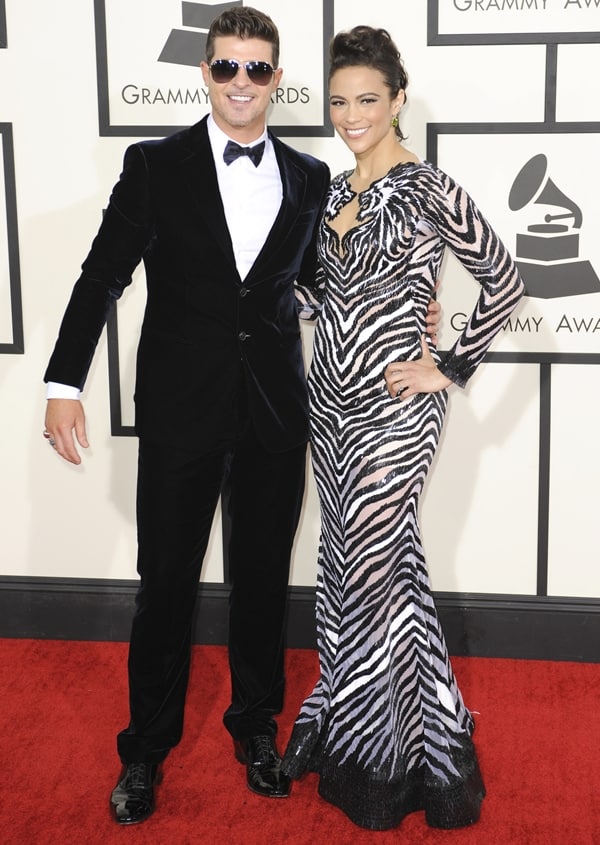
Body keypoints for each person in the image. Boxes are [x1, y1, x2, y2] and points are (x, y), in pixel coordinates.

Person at [42, 6, 442, 827]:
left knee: (260, 582)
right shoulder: (156, 165)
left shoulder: (308, 178)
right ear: (205, 74)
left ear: (276, 79)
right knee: (166, 587)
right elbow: (101, 276)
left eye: (258, 70)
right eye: (227, 67)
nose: (241, 84)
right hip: (181, 414)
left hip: (273, 412)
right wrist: (62, 383)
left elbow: (329, 286)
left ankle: (255, 728)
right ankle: (145, 750)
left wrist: (419, 313)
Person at [281, 25, 525, 833]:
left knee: (378, 566)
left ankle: (382, 760)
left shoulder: (428, 188)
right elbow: (322, 297)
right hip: (329, 402)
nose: (351, 115)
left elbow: (505, 279)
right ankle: (415, 735)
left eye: (368, 100)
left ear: (397, 101)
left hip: (395, 410)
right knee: (356, 565)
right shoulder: (329, 194)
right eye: (341, 100)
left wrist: (446, 367)